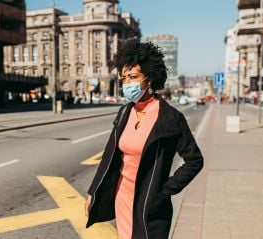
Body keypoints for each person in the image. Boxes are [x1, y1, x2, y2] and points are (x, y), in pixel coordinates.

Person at [84, 39, 204, 239]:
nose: (127, 84)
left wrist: (164, 191)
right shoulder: (125, 112)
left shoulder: (171, 118)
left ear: (150, 78)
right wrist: (93, 191)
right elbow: (109, 156)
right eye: (123, 78)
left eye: (133, 77)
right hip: (122, 195)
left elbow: (195, 160)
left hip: (150, 202)